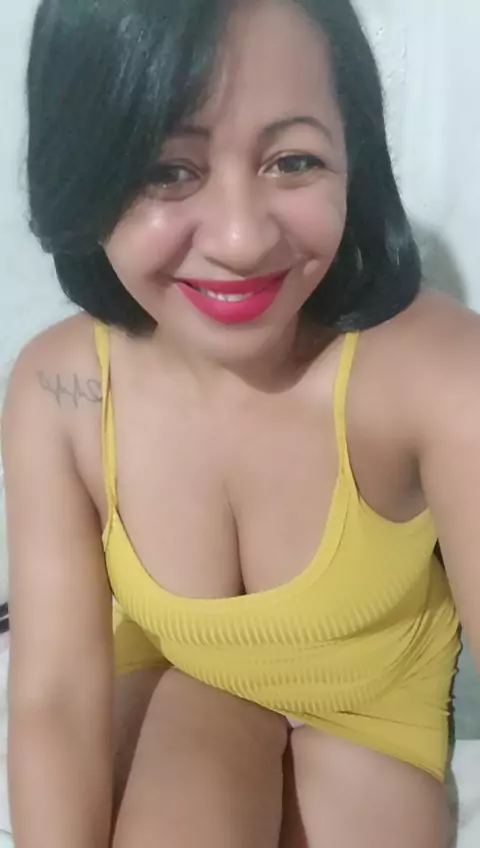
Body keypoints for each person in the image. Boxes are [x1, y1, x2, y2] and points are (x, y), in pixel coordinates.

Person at [3, 0, 479, 845]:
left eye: (293, 160)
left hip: (372, 722)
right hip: (176, 682)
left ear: (353, 158)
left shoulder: (437, 373)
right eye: (167, 170)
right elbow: (54, 699)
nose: (239, 239)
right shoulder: (60, 392)